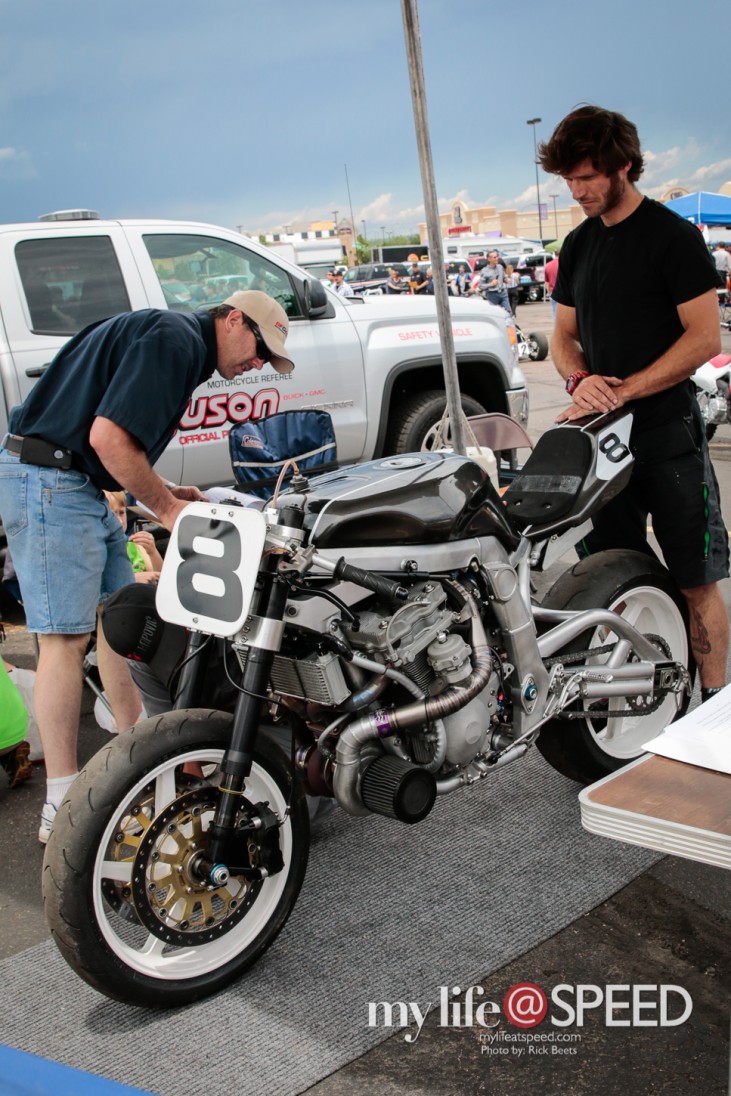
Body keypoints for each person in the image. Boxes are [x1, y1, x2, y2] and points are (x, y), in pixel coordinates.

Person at [0, 289, 295, 842]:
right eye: (261, 345)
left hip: (70, 480)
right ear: (233, 319)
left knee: (123, 618)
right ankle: (62, 803)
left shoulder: (172, 336)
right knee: (64, 640)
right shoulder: (177, 341)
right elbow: (107, 438)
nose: (260, 363)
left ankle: (133, 755)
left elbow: (101, 440)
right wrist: (166, 507)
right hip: (48, 480)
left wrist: (159, 493)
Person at [538, 104, 728, 703]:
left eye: (587, 177)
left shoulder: (673, 237)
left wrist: (625, 387)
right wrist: (579, 381)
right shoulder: (577, 244)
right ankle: (652, 703)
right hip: (603, 445)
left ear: (623, 165)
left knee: (697, 584)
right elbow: (561, 340)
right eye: (568, 180)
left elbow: (704, 338)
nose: (577, 191)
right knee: (616, 578)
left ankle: (716, 714)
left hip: (668, 435)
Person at [104, 490, 164, 581]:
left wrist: (152, 552)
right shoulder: (97, 549)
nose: (120, 521)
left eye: (121, 513)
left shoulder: (136, 544)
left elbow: (162, 577)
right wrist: (134, 578)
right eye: (113, 515)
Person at [478, 250, 512, 316]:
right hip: (492, 295)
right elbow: (480, 286)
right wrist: (491, 284)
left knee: (508, 313)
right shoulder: (484, 271)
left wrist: (507, 280)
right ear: (489, 259)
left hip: (503, 293)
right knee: (494, 314)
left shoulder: (500, 267)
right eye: (494, 257)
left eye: (497, 257)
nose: (496, 259)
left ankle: (509, 325)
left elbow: (504, 277)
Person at [544, 250, 560, 315]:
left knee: (555, 312)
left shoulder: (547, 265)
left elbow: (546, 282)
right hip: (564, 292)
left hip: (553, 291)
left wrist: (549, 292)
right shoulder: (565, 264)